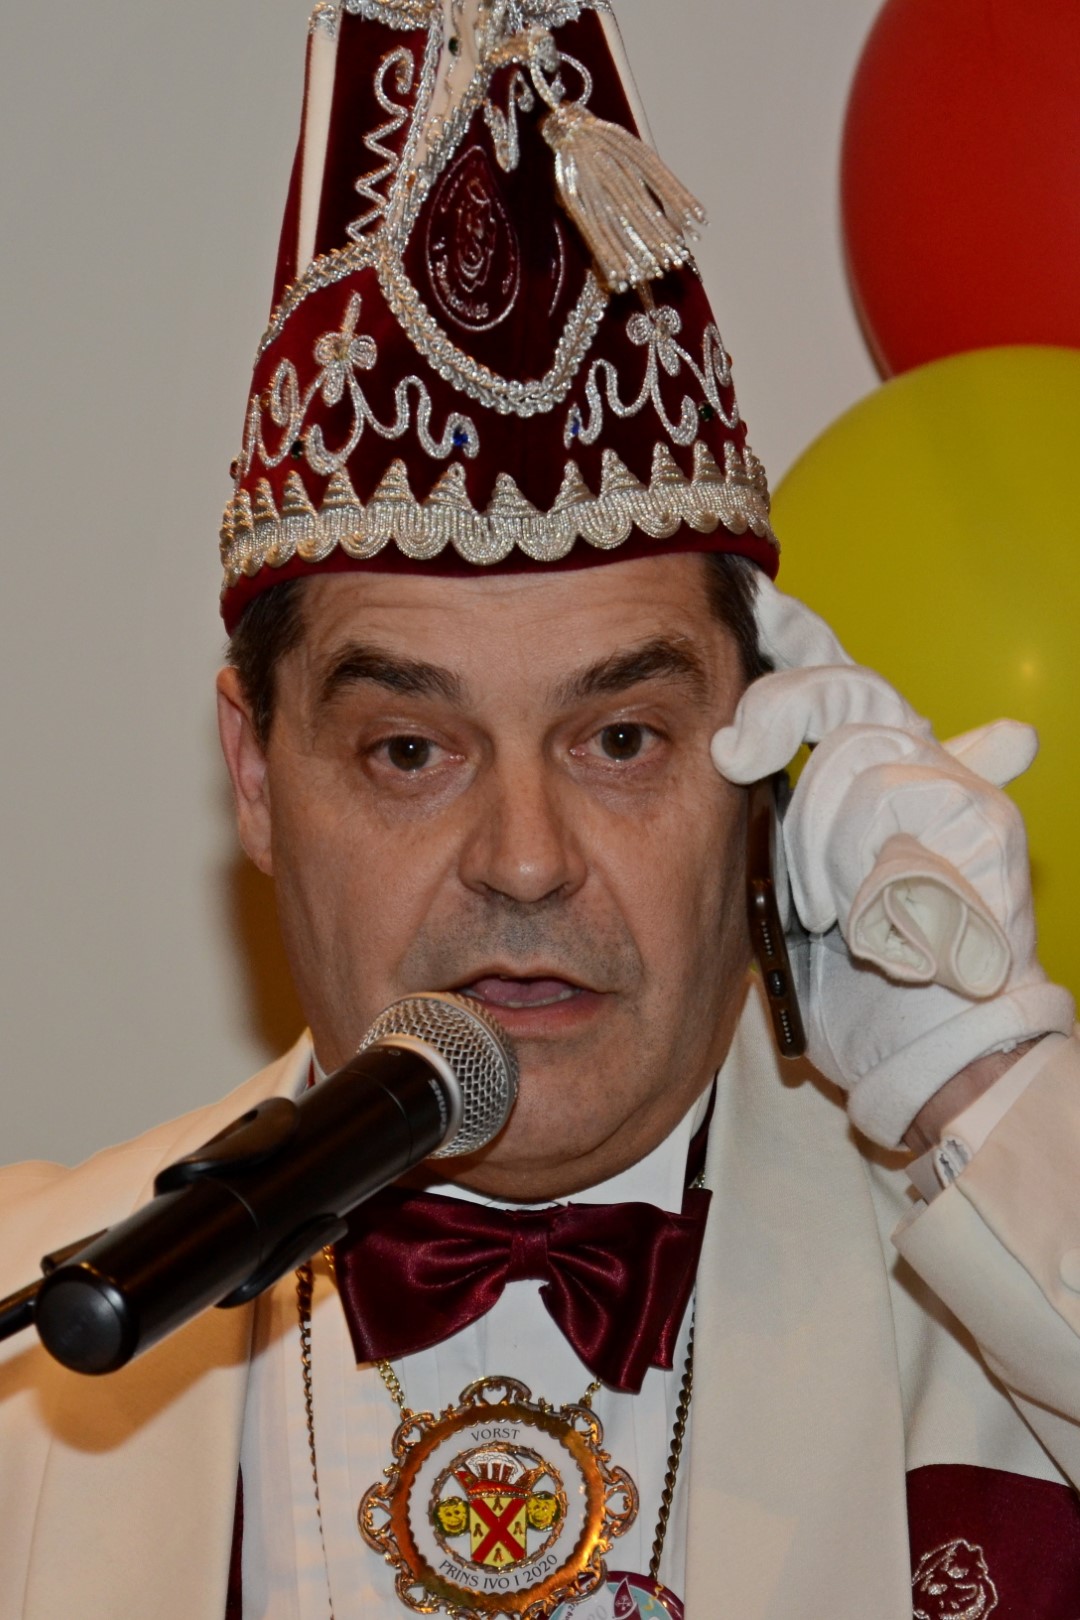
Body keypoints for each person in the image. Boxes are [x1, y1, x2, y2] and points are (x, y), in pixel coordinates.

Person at [1, 2, 1079, 1617]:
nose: (523, 860)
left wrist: (982, 1088)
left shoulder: (1013, 1301)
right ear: (256, 775)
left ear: (762, 765)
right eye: (409, 752)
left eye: (621, 738)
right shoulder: (34, 1344)